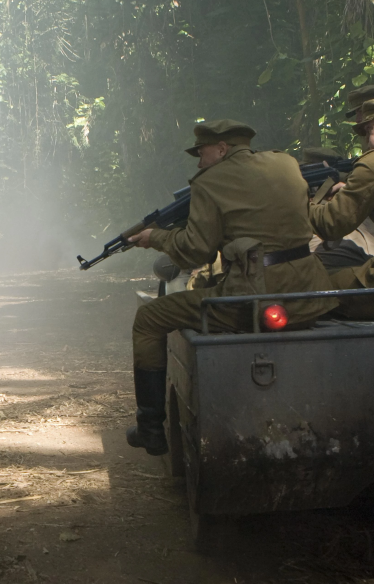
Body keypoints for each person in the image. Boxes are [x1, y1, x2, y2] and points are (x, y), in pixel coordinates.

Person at [124, 120, 337, 456]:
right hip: (310, 292)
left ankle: (150, 428)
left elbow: (196, 251)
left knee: (149, 319)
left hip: (251, 297)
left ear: (222, 148)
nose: (199, 162)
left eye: (202, 152)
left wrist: (157, 238)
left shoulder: (210, 182)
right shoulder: (285, 163)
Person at [309, 87, 374, 318]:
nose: (369, 139)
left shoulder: (370, 164)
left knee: (305, 288)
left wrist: (298, 202)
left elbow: (331, 224)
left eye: (369, 128)